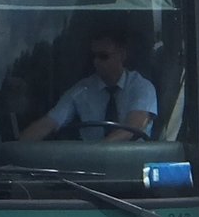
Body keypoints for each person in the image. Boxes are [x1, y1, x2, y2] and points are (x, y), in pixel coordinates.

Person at [19, 28, 157, 142]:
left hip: (134, 169)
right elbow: (49, 123)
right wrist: (17, 148)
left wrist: (98, 151)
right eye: (93, 56)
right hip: (89, 171)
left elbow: (133, 127)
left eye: (103, 56)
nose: (96, 62)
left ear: (122, 55)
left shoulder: (142, 88)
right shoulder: (82, 90)